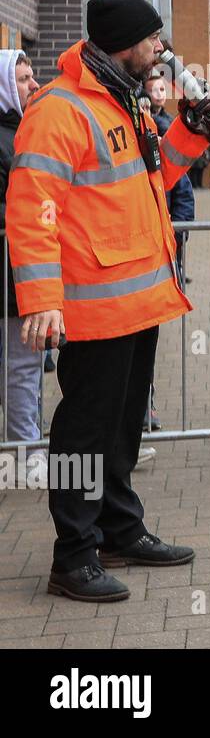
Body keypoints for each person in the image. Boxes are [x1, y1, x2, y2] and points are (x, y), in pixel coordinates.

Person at [8, 0, 210, 602]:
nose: (161, 50)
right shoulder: (60, 109)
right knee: (84, 431)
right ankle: (72, 556)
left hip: (136, 302)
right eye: (153, 39)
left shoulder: (122, 101)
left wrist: (190, 128)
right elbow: (32, 208)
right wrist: (41, 298)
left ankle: (119, 530)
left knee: (123, 425)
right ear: (124, 43)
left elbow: (151, 180)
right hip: (93, 308)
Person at [0, 50, 46, 483]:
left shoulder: (21, 131)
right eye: (23, 78)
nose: (34, 85)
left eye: (33, 76)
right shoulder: (6, 137)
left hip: (23, 270)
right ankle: (24, 454)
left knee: (27, 363)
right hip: (11, 272)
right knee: (21, 363)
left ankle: (27, 442)